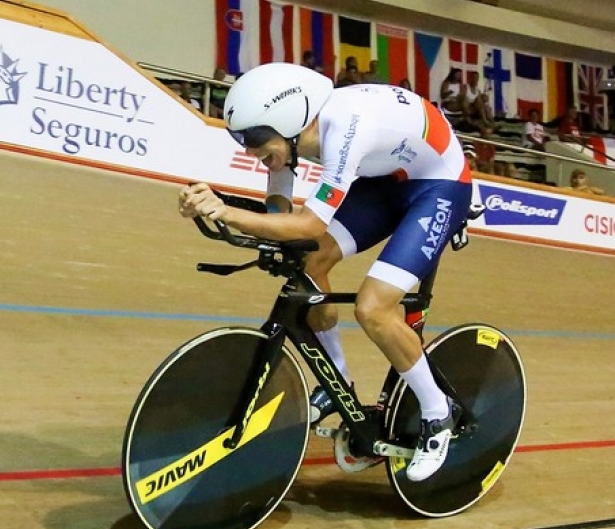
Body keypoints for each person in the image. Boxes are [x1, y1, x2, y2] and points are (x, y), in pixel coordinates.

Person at [179, 62, 473, 482]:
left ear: (289, 121)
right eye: (245, 142)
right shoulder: (292, 134)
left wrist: (227, 211)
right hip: (385, 178)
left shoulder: (347, 130)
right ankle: (340, 386)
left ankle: (438, 412)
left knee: (374, 309)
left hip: (438, 186)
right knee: (310, 263)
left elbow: (309, 225)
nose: (252, 152)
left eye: (257, 141)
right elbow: (279, 210)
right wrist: (222, 209)